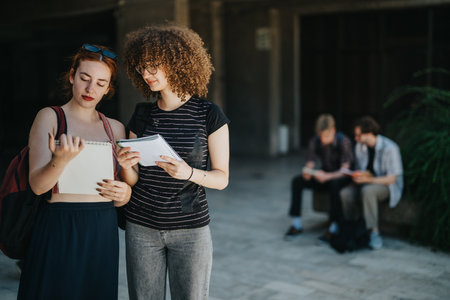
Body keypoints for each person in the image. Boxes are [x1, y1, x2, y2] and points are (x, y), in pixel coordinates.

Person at [119, 25, 230, 300]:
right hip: (141, 227)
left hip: (190, 231)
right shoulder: (142, 114)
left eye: (153, 66)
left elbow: (221, 178)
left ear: (177, 61)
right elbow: (133, 178)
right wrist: (124, 164)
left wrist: (188, 172)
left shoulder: (209, 114)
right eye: (142, 67)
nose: (146, 74)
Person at [17, 44, 131, 300]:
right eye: (85, 79)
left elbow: (123, 191)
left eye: (101, 83)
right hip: (59, 225)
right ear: (71, 76)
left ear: (109, 88)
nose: (91, 89)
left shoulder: (115, 128)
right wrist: (61, 160)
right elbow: (37, 186)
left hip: (102, 229)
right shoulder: (50, 117)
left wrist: (124, 194)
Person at [285, 114, 353, 240]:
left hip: (340, 177)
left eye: (326, 136)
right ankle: (296, 223)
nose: (323, 139)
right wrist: (309, 171)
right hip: (324, 174)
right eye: (320, 136)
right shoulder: (315, 141)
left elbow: (345, 170)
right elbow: (310, 161)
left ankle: (333, 226)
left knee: (335, 185)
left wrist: (328, 176)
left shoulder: (344, 141)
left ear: (333, 130)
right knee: (297, 181)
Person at [340, 116, 403, 249]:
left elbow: (392, 179)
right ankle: (352, 229)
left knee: (368, 191)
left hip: (387, 186)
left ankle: (374, 232)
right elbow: (360, 169)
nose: (355, 138)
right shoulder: (360, 147)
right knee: (345, 193)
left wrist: (368, 180)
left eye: (358, 135)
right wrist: (357, 176)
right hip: (366, 181)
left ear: (368, 133)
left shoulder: (390, 148)